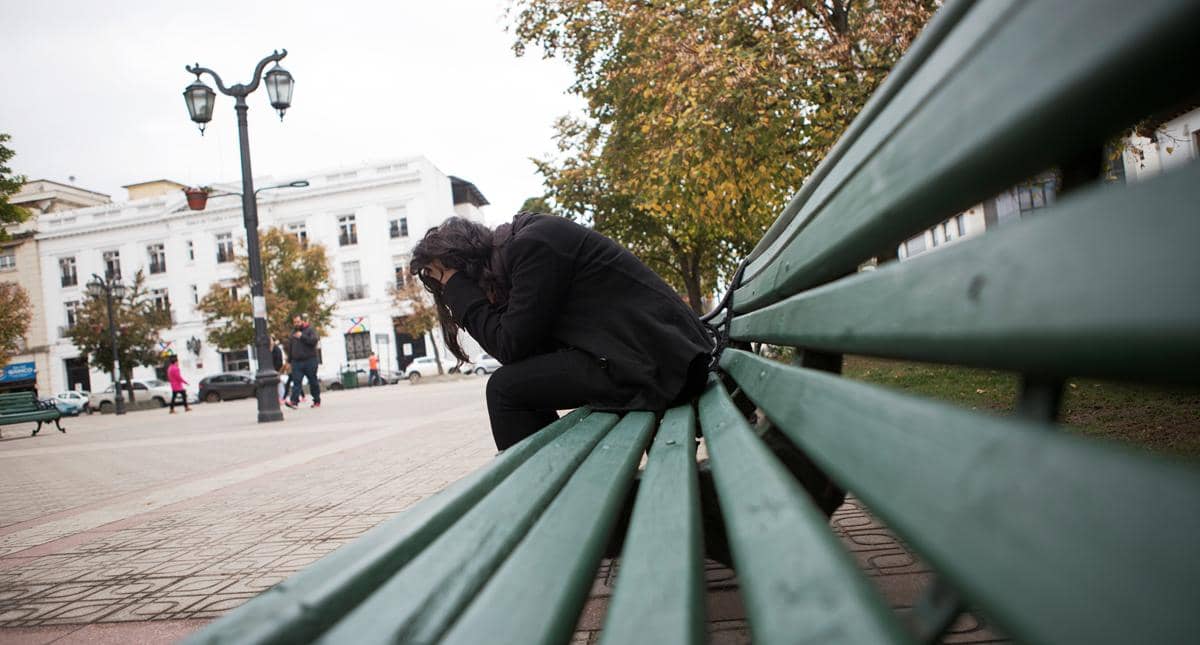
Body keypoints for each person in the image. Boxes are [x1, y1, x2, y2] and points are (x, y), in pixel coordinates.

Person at [411, 213, 713, 451]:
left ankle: (548, 500)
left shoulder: (532, 245)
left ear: (467, 265)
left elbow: (508, 346)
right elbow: (524, 353)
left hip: (662, 363)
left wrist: (459, 290)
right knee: (514, 385)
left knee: (504, 390)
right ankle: (561, 491)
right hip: (648, 355)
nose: (449, 293)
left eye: (448, 281)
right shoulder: (521, 249)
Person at [285, 314, 321, 409]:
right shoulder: (293, 333)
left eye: (298, 322)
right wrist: (289, 361)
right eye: (295, 322)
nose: (296, 324)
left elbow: (314, 341)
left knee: (313, 381)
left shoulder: (310, 330)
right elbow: (290, 348)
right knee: (296, 382)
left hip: (310, 360)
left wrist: (302, 336)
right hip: (297, 362)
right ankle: (294, 402)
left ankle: (316, 400)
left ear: (302, 321)